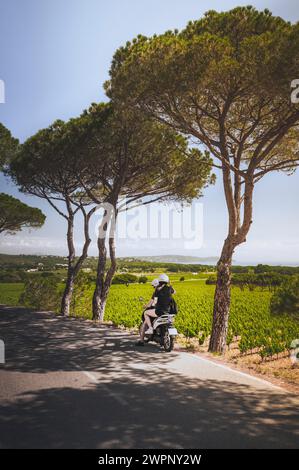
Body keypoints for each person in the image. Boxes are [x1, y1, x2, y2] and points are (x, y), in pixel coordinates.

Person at [136, 274, 176, 346]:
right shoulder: (169, 288)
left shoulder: (157, 290)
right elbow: (174, 292)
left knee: (146, 313)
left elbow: (154, 302)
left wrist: (147, 306)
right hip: (169, 311)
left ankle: (150, 329)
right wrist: (171, 286)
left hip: (159, 311)